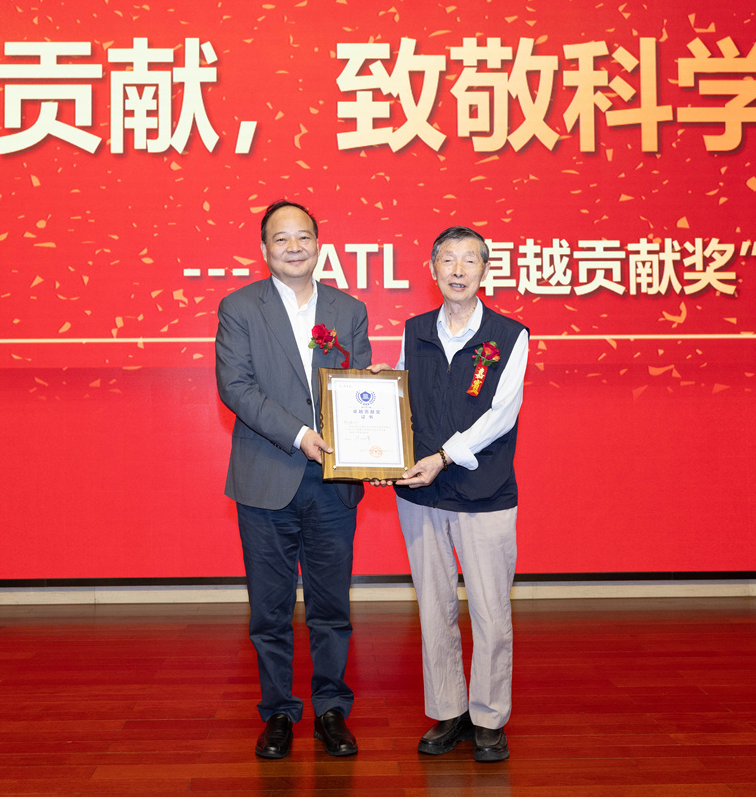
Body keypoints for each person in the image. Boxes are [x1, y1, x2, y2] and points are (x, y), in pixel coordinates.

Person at [215, 199, 372, 760]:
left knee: (331, 607)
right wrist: (301, 433)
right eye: (281, 239)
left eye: (303, 237)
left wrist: (374, 423)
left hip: (332, 482)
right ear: (264, 249)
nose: (294, 247)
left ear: (318, 244)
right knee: (270, 609)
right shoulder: (239, 307)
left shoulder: (348, 309)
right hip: (266, 477)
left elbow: (358, 386)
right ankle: (278, 712)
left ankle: (331, 710)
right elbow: (236, 387)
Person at [371, 226, 529, 763]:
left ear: (485, 270)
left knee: (490, 611)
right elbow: (401, 396)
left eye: (469, 260)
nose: (458, 270)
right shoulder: (415, 330)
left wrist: (443, 456)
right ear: (432, 269)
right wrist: (379, 402)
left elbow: (501, 415)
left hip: (484, 491)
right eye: (448, 260)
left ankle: (488, 716)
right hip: (421, 492)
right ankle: (448, 710)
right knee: (434, 607)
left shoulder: (510, 335)